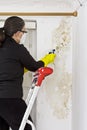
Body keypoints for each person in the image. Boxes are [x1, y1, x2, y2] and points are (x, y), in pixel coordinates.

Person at [0, 16, 56, 130]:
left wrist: (20, 69)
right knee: (26, 128)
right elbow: (34, 66)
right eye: (24, 32)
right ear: (18, 33)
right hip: (10, 99)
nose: (23, 35)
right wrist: (47, 59)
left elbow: (7, 68)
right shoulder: (17, 49)